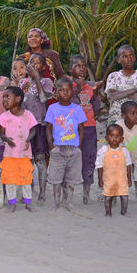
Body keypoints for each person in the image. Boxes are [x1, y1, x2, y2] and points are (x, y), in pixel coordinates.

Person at [45, 78, 86, 212]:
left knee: (71, 179)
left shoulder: (77, 109)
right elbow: (48, 128)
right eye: (61, 90)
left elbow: (81, 128)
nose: (64, 92)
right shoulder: (52, 108)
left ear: (72, 91)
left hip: (74, 149)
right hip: (58, 149)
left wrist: (78, 146)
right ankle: (57, 202)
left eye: (68, 90)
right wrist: (51, 146)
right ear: (56, 92)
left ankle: (68, 202)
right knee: (56, 178)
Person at [18, 53, 53, 203]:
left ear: (43, 67)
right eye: (31, 62)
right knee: (26, 160)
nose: (34, 65)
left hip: (39, 124)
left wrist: (37, 78)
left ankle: (43, 192)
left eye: (38, 63)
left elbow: (43, 98)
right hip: (24, 125)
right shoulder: (23, 82)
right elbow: (17, 103)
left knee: (40, 159)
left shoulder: (46, 81)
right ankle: (28, 190)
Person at [0, 86, 38, 213]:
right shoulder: (4, 116)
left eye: (7, 97)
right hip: (9, 155)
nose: (4, 100)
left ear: (18, 99)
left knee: (26, 179)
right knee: (10, 180)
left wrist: (27, 140)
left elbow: (33, 130)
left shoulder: (28, 115)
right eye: (3, 97)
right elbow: (1, 133)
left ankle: (28, 202)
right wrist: (7, 139)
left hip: (24, 154)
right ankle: (12, 203)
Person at [69, 55, 102, 204]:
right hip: (71, 129)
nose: (81, 69)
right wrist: (79, 89)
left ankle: (86, 192)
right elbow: (69, 104)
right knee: (70, 160)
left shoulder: (91, 86)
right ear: (71, 69)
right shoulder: (67, 86)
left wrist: (95, 94)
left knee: (89, 159)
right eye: (77, 66)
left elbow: (95, 108)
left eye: (83, 66)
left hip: (89, 128)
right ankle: (68, 193)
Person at [116, 101, 137, 209]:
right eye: (133, 113)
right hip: (122, 155)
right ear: (123, 116)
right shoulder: (118, 125)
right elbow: (115, 144)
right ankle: (113, 196)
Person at [105, 45, 137, 125]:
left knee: (136, 138)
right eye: (125, 56)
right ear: (118, 60)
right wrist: (133, 90)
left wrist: (119, 93)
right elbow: (110, 97)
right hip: (116, 119)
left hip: (136, 120)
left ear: (135, 57)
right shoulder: (113, 76)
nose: (129, 59)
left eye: (131, 55)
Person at [96, 124, 133, 216]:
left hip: (122, 179)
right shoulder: (103, 151)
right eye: (111, 136)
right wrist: (100, 179)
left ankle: (123, 211)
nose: (114, 139)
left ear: (122, 139)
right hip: (109, 179)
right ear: (106, 138)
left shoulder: (124, 151)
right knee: (108, 197)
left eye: (117, 136)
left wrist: (129, 178)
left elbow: (128, 165)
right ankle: (108, 211)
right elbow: (99, 166)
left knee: (124, 196)